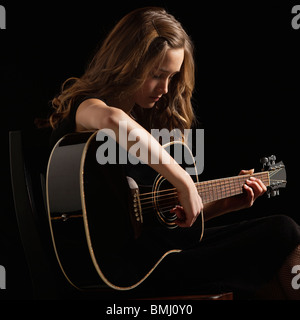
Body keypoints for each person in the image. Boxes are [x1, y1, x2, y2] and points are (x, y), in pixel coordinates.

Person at [48, 7, 300, 299]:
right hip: (123, 272)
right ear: (127, 64)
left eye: (172, 76)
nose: (165, 89)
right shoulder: (87, 107)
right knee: (280, 243)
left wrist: (226, 205)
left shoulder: (149, 120)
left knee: (282, 231)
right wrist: (182, 180)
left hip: (154, 258)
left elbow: (169, 225)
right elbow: (113, 121)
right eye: (157, 75)